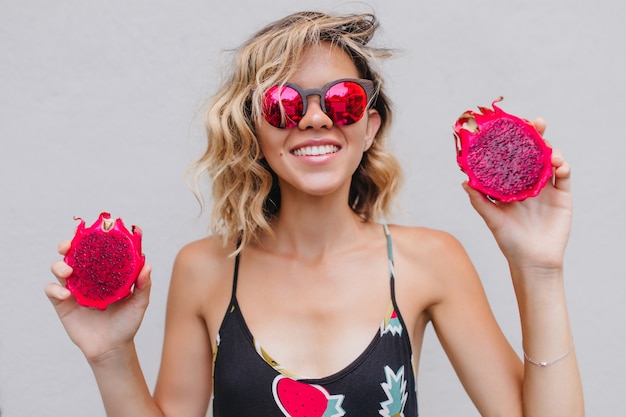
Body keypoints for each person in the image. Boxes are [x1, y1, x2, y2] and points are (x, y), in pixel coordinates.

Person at [46, 11, 584, 417]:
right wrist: (110, 353)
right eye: (283, 104)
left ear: (369, 127)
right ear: (254, 131)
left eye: (344, 100)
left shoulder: (430, 261)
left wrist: (540, 269)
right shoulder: (204, 270)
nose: (314, 118)